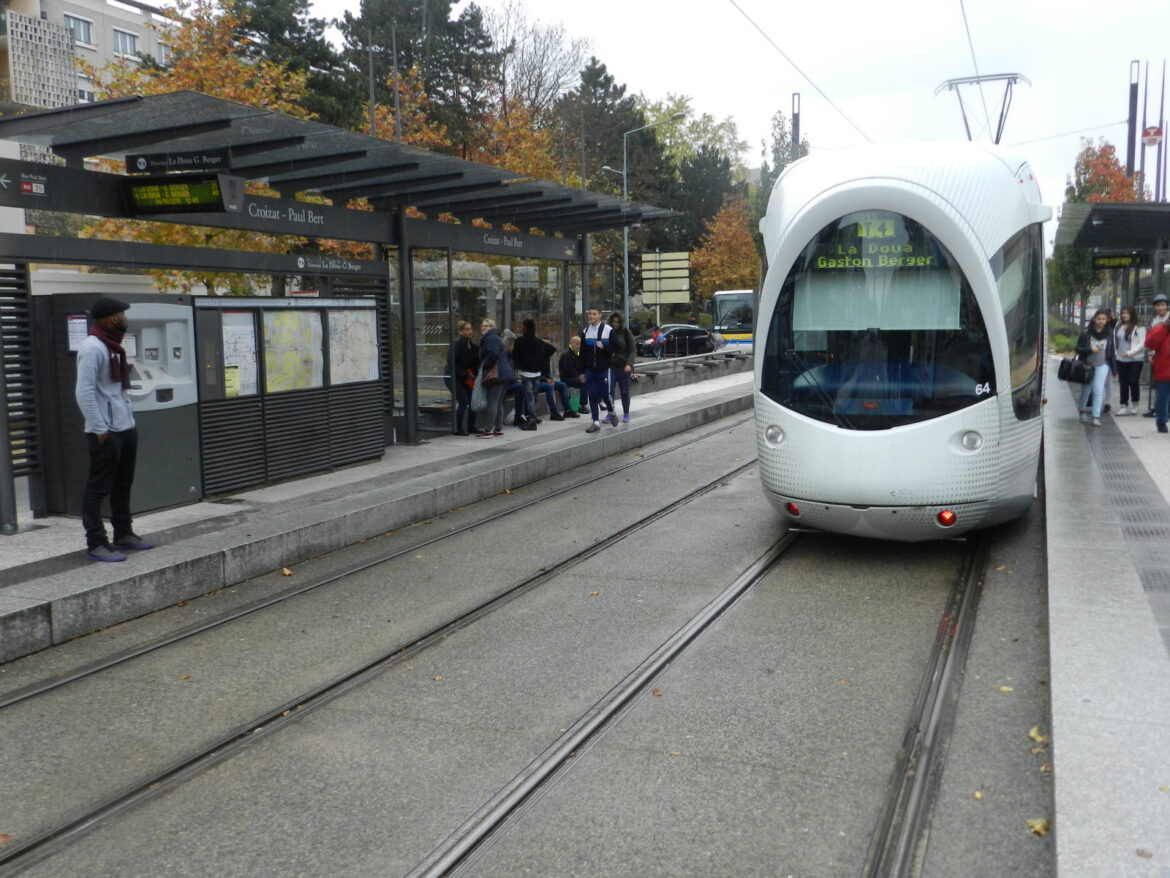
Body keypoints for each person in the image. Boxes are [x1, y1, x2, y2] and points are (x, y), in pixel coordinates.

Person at [75, 297, 154, 562]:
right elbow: (84, 393)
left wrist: (128, 421)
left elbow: (116, 390)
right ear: (111, 318)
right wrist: (100, 429)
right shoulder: (93, 348)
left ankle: (123, 533)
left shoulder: (114, 347)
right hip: (105, 431)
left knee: (123, 484)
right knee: (97, 488)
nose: (125, 318)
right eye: (122, 314)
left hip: (125, 427)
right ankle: (96, 542)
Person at [1076, 309, 1115, 427]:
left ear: (1106, 320)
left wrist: (1114, 369)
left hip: (1102, 365)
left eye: (1103, 319)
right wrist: (1090, 350)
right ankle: (1082, 411)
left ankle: (1095, 416)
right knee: (1086, 390)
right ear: (1094, 319)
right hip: (1087, 366)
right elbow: (1078, 349)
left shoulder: (1109, 333)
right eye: (1098, 319)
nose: (1101, 321)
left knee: (1099, 390)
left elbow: (1112, 352)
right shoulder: (1086, 333)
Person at [476, 318, 514, 438]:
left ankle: (488, 430)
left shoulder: (491, 338)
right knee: (498, 403)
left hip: (497, 374)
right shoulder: (496, 337)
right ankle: (498, 429)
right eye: (482, 325)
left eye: (486, 326)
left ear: (492, 327)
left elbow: (493, 353)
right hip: (505, 373)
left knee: (492, 402)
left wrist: (484, 366)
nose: (483, 328)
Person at [580, 307, 615, 433]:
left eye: (594, 314)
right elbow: (582, 353)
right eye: (590, 314)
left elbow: (614, 350)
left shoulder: (608, 330)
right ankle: (595, 421)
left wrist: (603, 347)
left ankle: (611, 411)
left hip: (604, 369)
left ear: (600, 315)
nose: (591, 316)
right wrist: (581, 371)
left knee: (606, 395)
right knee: (592, 395)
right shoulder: (585, 331)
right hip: (590, 370)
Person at [512, 318, 547, 431]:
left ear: (525, 327)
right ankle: (533, 417)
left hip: (526, 372)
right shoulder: (539, 342)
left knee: (529, 397)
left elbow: (514, 355)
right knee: (534, 397)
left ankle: (531, 420)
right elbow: (548, 351)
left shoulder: (519, 341)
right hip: (537, 372)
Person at [1113, 305, 1146, 416]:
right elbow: (1115, 340)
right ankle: (1123, 405)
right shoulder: (1119, 325)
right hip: (1121, 359)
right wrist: (1117, 354)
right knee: (1123, 383)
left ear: (1132, 314)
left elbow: (1142, 343)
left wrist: (1130, 353)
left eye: (1127, 313)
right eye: (1123, 313)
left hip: (1135, 359)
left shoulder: (1139, 326)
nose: (1124, 315)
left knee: (1133, 381)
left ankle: (1135, 404)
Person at [449, 320, 479, 435]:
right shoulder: (457, 344)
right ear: (460, 331)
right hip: (457, 377)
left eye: (470, 329)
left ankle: (471, 426)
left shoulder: (472, 345)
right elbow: (453, 363)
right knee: (463, 402)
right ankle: (458, 428)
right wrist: (466, 374)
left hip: (467, 377)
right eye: (467, 329)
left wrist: (474, 373)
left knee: (472, 401)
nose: (470, 331)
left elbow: (475, 362)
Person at [607, 312, 637, 423]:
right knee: (609, 391)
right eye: (613, 321)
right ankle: (611, 413)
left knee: (624, 391)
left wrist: (629, 364)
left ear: (621, 323)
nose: (615, 324)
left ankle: (626, 413)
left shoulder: (626, 333)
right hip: (611, 367)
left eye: (617, 322)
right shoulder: (608, 333)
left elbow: (632, 350)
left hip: (624, 367)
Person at [1143, 294, 1170, 417]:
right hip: (1157, 355)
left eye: (1163, 305)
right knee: (1158, 385)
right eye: (1158, 305)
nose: (1160, 308)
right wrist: (1150, 354)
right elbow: (1150, 340)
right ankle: (1157, 408)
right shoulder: (1153, 320)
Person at [539, 337, 576, 419]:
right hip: (538, 382)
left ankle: (567, 410)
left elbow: (553, 348)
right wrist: (545, 380)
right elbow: (533, 374)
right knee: (549, 387)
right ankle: (554, 413)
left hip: (547, 380)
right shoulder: (534, 358)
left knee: (562, 385)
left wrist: (544, 341)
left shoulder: (545, 356)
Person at [559, 335, 589, 415]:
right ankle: (582, 405)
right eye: (577, 344)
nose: (579, 346)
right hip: (566, 379)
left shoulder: (577, 354)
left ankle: (589, 404)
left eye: (580, 344)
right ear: (571, 343)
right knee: (584, 382)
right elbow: (568, 370)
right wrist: (579, 376)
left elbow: (581, 367)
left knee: (589, 379)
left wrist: (582, 374)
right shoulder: (567, 354)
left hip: (574, 377)